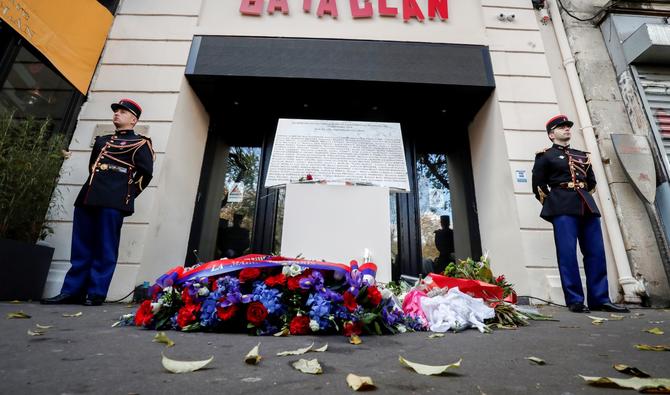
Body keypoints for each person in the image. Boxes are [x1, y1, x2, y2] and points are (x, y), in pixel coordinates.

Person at [42, 99, 154, 306]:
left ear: (133, 119)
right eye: (116, 111)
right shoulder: (102, 140)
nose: (117, 114)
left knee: (105, 248)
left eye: (122, 112)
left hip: (113, 200)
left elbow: (145, 175)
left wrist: (126, 196)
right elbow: (93, 167)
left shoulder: (141, 143)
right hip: (89, 196)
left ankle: (95, 293)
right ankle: (72, 291)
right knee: (81, 246)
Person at [532, 114, 628, 313]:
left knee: (596, 253)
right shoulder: (545, 156)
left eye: (568, 127)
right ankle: (575, 300)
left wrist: (580, 196)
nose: (567, 129)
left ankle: (600, 299)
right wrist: (554, 204)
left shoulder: (582, 155)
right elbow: (539, 186)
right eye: (561, 127)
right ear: (551, 135)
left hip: (587, 206)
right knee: (567, 255)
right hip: (562, 207)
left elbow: (591, 183)